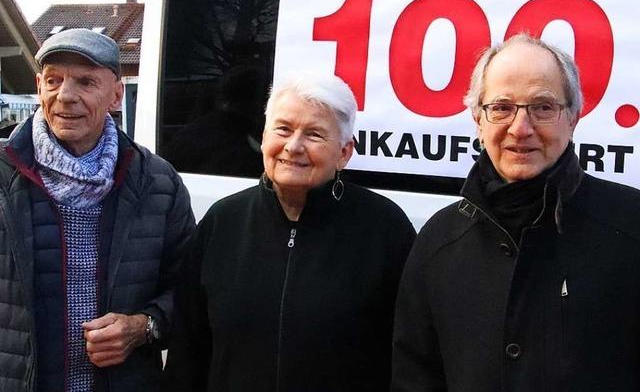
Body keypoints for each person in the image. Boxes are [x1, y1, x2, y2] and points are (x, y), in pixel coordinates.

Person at [391, 33, 640, 391]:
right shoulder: (438, 241)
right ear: (478, 120)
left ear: (573, 118)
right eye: (502, 107)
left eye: (542, 107)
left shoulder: (631, 226)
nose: (520, 129)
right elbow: (414, 377)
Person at [164, 73, 416, 391]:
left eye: (314, 135)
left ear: (344, 152)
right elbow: (188, 351)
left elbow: (411, 356)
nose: (293, 146)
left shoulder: (386, 230)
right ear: (265, 136)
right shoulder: (222, 223)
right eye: (283, 129)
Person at [0, 28, 195, 391]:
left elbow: (190, 290)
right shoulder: (4, 174)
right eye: (54, 80)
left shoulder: (157, 182)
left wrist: (144, 326)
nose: (65, 97)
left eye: (86, 82)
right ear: (39, 85)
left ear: (117, 94)